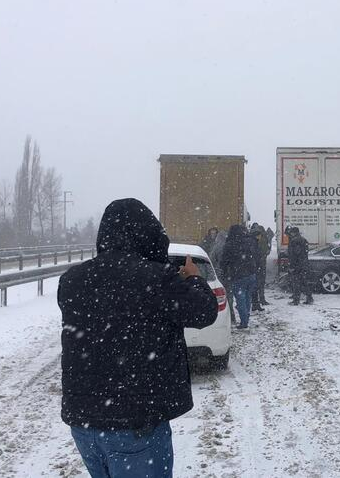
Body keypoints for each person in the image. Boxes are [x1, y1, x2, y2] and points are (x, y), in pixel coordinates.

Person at [58, 198, 218, 478]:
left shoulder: (72, 279)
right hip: (134, 425)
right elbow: (204, 311)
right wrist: (192, 278)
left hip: (84, 425)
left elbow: (112, 317)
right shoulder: (156, 279)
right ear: (149, 234)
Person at [221, 224, 258, 329]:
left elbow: (224, 261)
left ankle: (244, 321)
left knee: (240, 298)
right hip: (251, 274)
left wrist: (225, 273)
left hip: (238, 275)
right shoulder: (248, 241)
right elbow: (254, 255)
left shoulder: (229, 244)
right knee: (247, 297)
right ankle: (246, 317)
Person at [287, 227, 313, 305]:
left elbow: (293, 255)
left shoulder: (294, 241)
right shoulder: (304, 240)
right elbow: (306, 251)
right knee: (304, 282)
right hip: (304, 264)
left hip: (297, 265)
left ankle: (296, 300)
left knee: (296, 283)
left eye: (291, 232)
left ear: (294, 233)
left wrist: (292, 265)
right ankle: (309, 298)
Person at [250, 223, 271, 309]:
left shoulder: (251, 240)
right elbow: (266, 251)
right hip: (260, 265)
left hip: (256, 265)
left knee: (255, 284)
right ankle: (260, 299)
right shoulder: (262, 238)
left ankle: (256, 301)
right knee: (260, 283)